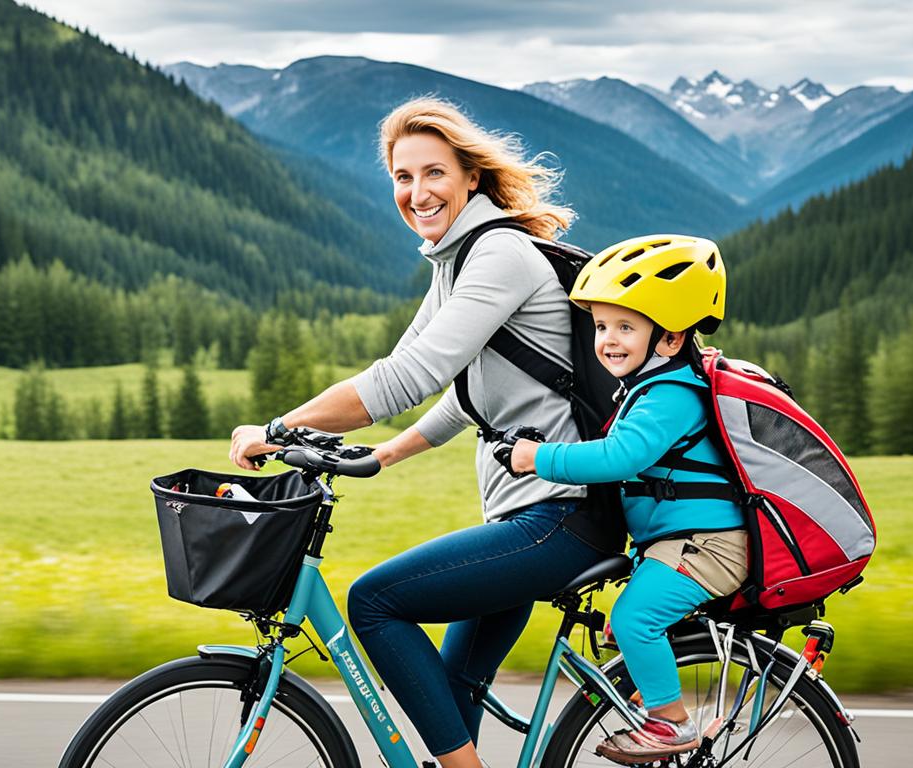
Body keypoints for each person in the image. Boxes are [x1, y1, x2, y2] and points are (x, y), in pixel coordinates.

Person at [228, 97, 622, 767]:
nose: (416, 192)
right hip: (530, 518)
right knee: (454, 695)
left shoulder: (498, 254)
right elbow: (468, 395)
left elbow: (403, 380)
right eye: (402, 177)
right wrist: (384, 454)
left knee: (375, 601)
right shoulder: (458, 259)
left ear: (471, 176)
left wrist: (280, 426)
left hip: (560, 519)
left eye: (433, 173)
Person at [499, 234, 748, 765]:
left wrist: (536, 459)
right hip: (684, 543)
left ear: (672, 337)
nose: (608, 340)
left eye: (626, 327)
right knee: (624, 626)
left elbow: (620, 458)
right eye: (601, 325)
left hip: (709, 545)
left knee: (636, 619)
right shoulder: (651, 388)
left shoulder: (672, 395)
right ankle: (655, 693)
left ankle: (670, 722)